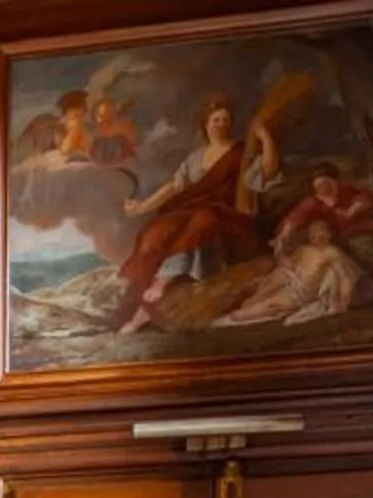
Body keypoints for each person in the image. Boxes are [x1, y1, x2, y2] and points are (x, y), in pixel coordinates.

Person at [116, 95, 283, 330]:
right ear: (206, 124)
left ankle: (164, 278)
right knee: (155, 232)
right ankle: (138, 301)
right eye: (216, 120)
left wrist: (265, 138)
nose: (221, 124)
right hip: (190, 208)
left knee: (205, 219)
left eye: (225, 120)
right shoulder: (196, 156)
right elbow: (175, 185)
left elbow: (266, 172)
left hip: (225, 214)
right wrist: (143, 206)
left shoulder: (241, 153)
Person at [217, 219, 361, 326]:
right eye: (313, 234)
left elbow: (345, 276)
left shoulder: (332, 253)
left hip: (301, 293)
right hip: (291, 280)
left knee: (264, 307)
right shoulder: (305, 249)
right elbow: (288, 264)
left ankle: (240, 315)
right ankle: (248, 302)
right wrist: (280, 251)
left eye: (320, 234)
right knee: (266, 286)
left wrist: (342, 301)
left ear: (329, 234)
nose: (316, 238)